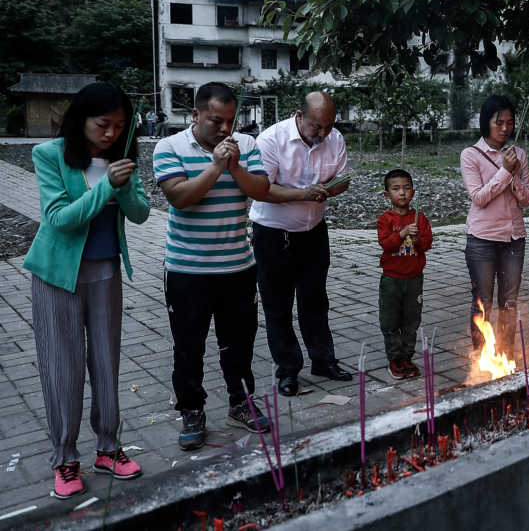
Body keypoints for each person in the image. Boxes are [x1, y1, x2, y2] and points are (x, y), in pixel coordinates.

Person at [24, 82, 150, 499]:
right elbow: (59, 219)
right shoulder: (50, 155)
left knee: (106, 361)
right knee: (64, 366)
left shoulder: (120, 158)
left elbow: (141, 214)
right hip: (57, 275)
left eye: (119, 125)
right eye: (103, 124)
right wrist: (105, 187)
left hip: (105, 272)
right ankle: (65, 458)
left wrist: (125, 182)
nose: (111, 133)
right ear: (81, 119)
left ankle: (108, 448)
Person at [153, 82, 272, 451]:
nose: (224, 129)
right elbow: (180, 198)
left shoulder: (248, 146)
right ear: (195, 115)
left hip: (238, 266)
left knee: (239, 343)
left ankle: (241, 402)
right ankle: (192, 409)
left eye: (230, 121)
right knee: (188, 347)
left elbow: (262, 191)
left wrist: (234, 166)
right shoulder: (168, 147)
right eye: (215, 121)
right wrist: (216, 165)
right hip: (188, 271)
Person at [249, 92, 353, 397]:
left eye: (328, 126)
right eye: (315, 126)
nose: (322, 134)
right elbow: (262, 189)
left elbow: (343, 178)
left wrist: (330, 190)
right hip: (273, 233)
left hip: (313, 231)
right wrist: (304, 194)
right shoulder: (271, 140)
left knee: (315, 300)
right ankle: (288, 370)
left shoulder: (335, 139)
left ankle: (323, 360)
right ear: (299, 115)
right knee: (278, 305)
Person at [460, 94, 529, 356]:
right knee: (482, 303)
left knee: (509, 303)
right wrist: (504, 171)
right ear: (486, 122)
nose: (505, 128)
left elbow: (526, 199)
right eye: (499, 122)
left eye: (510, 122)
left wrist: (512, 174)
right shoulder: (471, 155)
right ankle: (481, 359)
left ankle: (505, 356)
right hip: (482, 239)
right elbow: (479, 197)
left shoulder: (519, 155)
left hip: (514, 238)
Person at [377, 169, 433, 380]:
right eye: (396, 189)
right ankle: (394, 359)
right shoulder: (386, 219)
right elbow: (385, 244)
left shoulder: (420, 218)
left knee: (411, 321)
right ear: (387, 195)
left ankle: (407, 357)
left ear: (413, 192)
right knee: (390, 320)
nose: (402, 193)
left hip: (414, 279)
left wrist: (418, 239)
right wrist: (401, 234)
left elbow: (427, 244)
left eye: (407, 188)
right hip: (391, 279)